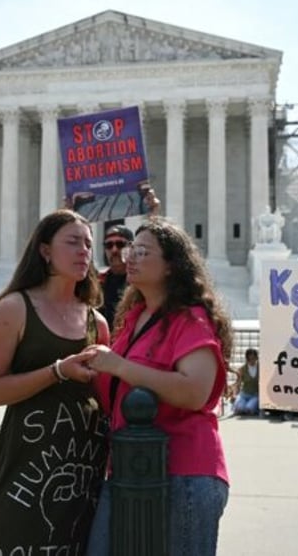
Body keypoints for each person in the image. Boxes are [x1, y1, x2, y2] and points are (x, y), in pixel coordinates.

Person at [84, 216, 233, 555]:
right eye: (130, 249)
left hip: (185, 470)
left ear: (170, 266)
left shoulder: (190, 318)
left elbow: (194, 392)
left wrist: (120, 365)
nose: (129, 257)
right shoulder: (134, 318)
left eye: (142, 251)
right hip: (127, 466)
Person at [0, 209, 110, 555]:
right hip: (28, 465)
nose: (84, 251)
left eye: (88, 244)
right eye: (73, 242)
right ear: (45, 250)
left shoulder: (98, 322)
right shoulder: (15, 308)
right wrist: (58, 371)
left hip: (85, 468)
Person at [97, 186, 160, 331]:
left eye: (120, 244)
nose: (114, 250)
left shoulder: (141, 282)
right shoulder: (98, 282)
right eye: (109, 245)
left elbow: (154, 246)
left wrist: (153, 214)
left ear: (131, 248)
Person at [232, 347, 260, 416]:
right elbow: (238, 383)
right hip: (244, 395)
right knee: (240, 409)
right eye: (249, 359)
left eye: (253, 358)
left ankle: (253, 407)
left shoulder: (260, 368)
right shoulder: (242, 369)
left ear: (256, 358)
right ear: (247, 359)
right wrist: (234, 394)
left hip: (255, 395)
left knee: (249, 409)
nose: (251, 361)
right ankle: (237, 404)